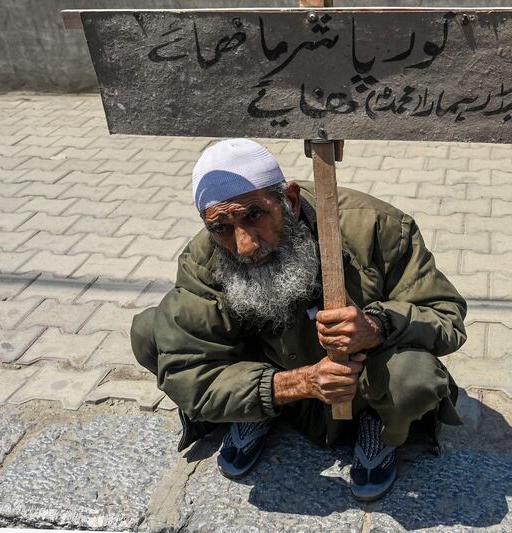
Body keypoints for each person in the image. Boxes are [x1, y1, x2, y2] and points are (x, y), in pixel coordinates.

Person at [131, 138, 467, 501]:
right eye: (222, 227)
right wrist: (292, 385)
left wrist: (376, 327)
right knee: (152, 332)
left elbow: (446, 317)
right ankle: (255, 410)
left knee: (413, 377)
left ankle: (380, 427)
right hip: (275, 372)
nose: (244, 245)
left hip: (358, 384)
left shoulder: (375, 226)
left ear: (288, 200)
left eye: (254, 216)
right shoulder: (205, 256)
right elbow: (185, 370)